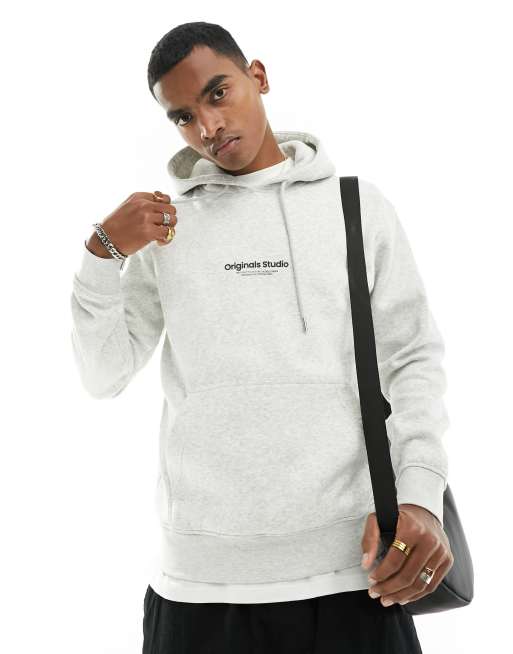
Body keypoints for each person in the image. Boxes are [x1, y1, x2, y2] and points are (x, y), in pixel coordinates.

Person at [70, 20, 454, 654]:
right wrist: (101, 253)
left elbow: (412, 358)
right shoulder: (166, 228)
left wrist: (422, 497)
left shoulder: (356, 207)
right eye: (183, 116)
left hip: (352, 573)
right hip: (201, 585)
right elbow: (101, 375)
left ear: (258, 77)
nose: (208, 126)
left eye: (218, 93)